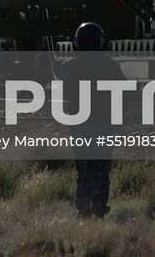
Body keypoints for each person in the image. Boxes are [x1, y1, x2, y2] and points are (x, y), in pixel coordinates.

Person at [61, 21, 124, 218]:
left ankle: (83, 208)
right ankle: (98, 206)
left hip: (79, 124)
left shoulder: (68, 67)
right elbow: (124, 93)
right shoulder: (111, 66)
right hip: (103, 123)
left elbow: (64, 94)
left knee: (84, 168)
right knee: (101, 168)